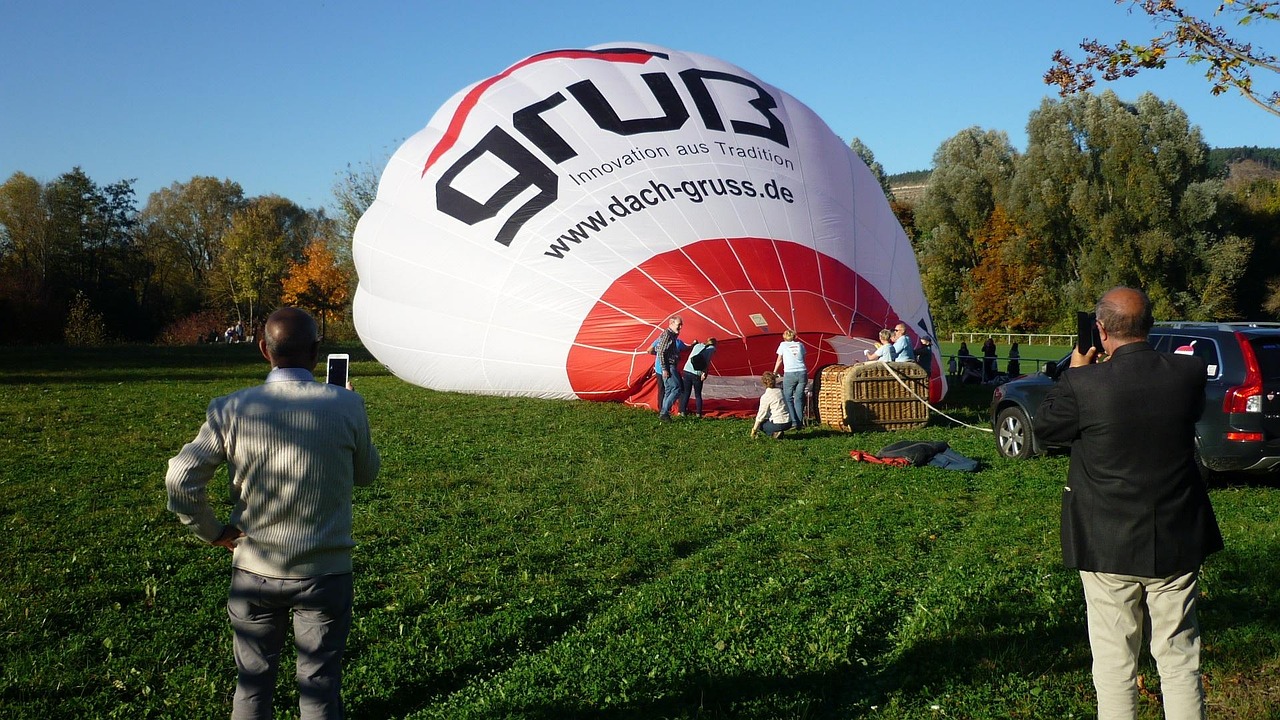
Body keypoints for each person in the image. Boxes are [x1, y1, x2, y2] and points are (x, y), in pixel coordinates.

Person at [165, 307, 381, 720]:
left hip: (254, 571)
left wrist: (213, 532)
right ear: (317, 352)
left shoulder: (231, 408)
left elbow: (180, 479)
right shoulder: (347, 405)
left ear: (264, 349)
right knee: (319, 688)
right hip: (325, 572)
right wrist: (351, 405)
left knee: (252, 685)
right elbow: (367, 474)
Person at [1034, 287, 1222, 720]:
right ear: (1150, 325)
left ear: (1099, 331)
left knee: (1115, 663)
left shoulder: (1083, 383)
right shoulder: (1188, 372)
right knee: (1180, 660)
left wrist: (1078, 367)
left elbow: (1046, 429)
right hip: (1175, 536)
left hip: (1105, 542)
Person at [655, 315, 688, 422]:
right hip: (669, 366)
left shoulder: (671, 335)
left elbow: (657, 348)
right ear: (671, 323)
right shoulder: (667, 335)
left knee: (669, 390)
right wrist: (665, 368)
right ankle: (664, 412)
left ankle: (663, 413)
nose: (680, 327)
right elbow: (660, 351)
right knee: (677, 389)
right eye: (679, 324)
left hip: (668, 366)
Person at [773, 329, 808, 429]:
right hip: (802, 372)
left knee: (788, 397)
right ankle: (800, 422)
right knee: (799, 398)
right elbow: (803, 358)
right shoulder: (800, 345)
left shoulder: (783, 345)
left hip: (790, 373)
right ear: (794, 337)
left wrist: (775, 372)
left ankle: (794, 421)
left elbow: (779, 360)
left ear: (784, 337)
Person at [678, 337, 717, 417]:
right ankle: (698, 413)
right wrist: (705, 373)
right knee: (698, 394)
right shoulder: (711, 349)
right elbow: (707, 362)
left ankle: (682, 411)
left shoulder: (697, 346)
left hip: (687, 370)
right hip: (697, 373)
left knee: (686, 393)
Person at [749, 371, 793, 439]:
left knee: (761, 424)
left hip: (779, 423)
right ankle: (778, 432)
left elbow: (761, 415)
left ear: (764, 383)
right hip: (789, 422)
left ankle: (774, 434)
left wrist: (754, 429)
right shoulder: (780, 391)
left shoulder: (766, 396)